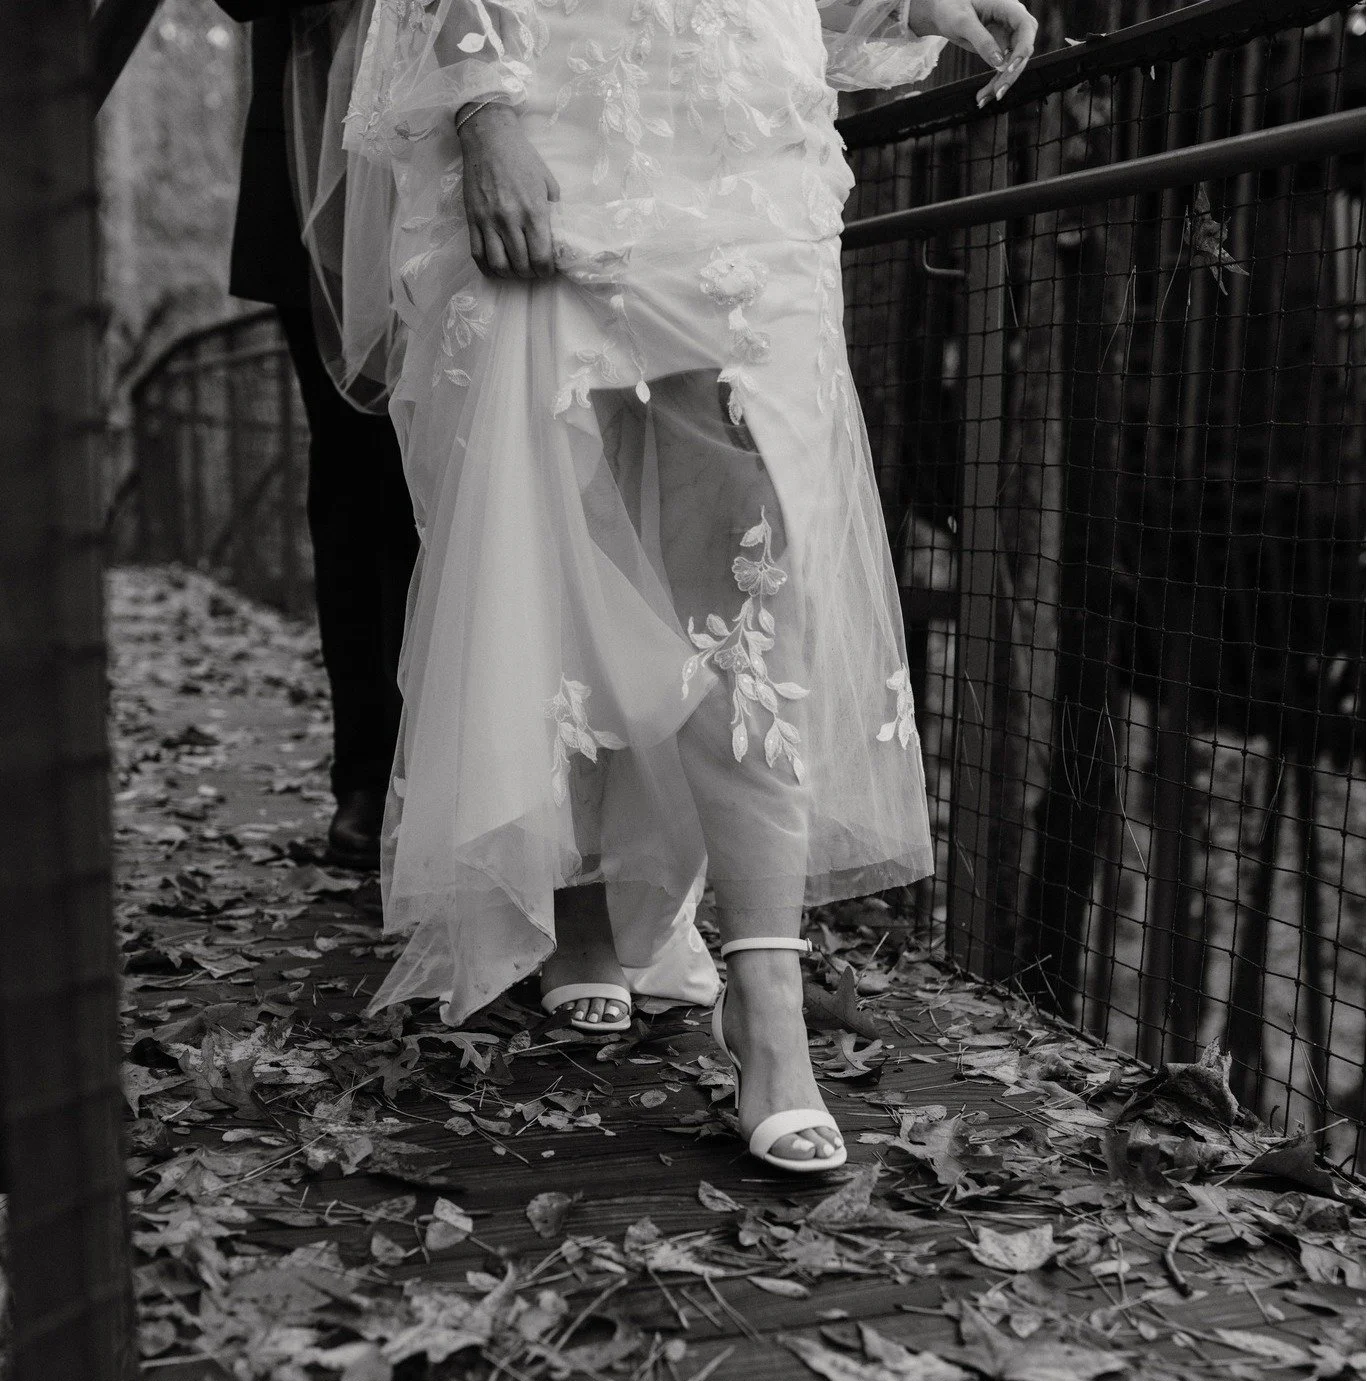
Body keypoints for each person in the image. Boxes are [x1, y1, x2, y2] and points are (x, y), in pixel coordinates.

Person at [300, 0, 1036, 1171]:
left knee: (754, 560)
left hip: (738, 119)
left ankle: (766, 1000)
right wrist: (482, 106)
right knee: (561, 531)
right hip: (561, 92)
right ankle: (583, 898)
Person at [218, 0, 419, 870]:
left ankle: (473, 775)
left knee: (476, 482)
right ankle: (370, 775)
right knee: (357, 484)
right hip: (316, 174)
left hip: (489, 140)